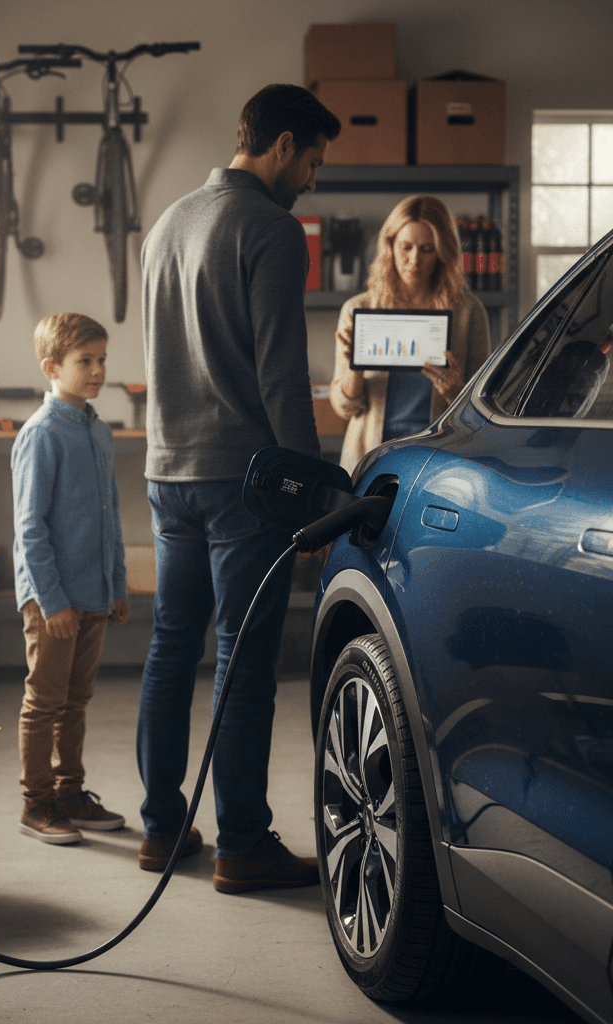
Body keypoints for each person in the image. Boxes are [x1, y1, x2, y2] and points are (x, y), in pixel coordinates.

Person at [137, 84, 341, 892]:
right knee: (244, 660)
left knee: (168, 650)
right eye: (315, 161)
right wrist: (317, 494)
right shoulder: (272, 229)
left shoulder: (167, 222)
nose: (315, 179)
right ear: (283, 146)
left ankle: (160, 831)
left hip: (165, 473)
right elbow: (282, 377)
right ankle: (241, 846)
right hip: (242, 482)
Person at [11, 312, 131, 844]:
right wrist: (51, 599)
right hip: (53, 600)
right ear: (51, 366)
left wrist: (118, 585)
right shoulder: (41, 435)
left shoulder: (100, 432)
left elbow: (111, 514)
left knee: (76, 701)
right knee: (45, 702)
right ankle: (36, 803)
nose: (98, 370)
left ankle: (69, 792)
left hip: (94, 595)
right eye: (85, 361)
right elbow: (29, 528)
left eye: (102, 359)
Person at [330, 195, 491, 474]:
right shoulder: (359, 309)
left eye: (427, 249)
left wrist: (456, 391)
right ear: (389, 246)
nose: (414, 260)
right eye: (406, 247)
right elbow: (344, 408)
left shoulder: (468, 313)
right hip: (369, 460)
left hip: (436, 465)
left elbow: (484, 411)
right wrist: (354, 371)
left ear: (443, 252)